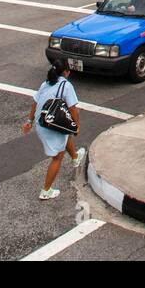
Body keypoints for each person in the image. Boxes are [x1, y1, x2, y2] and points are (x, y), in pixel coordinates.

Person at [23, 60, 85, 200]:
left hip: (42, 122)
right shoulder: (67, 86)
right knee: (57, 157)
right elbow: (72, 108)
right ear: (66, 72)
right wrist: (77, 125)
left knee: (65, 132)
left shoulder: (45, 83)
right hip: (51, 126)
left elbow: (35, 103)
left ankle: (75, 158)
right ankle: (46, 190)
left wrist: (29, 121)